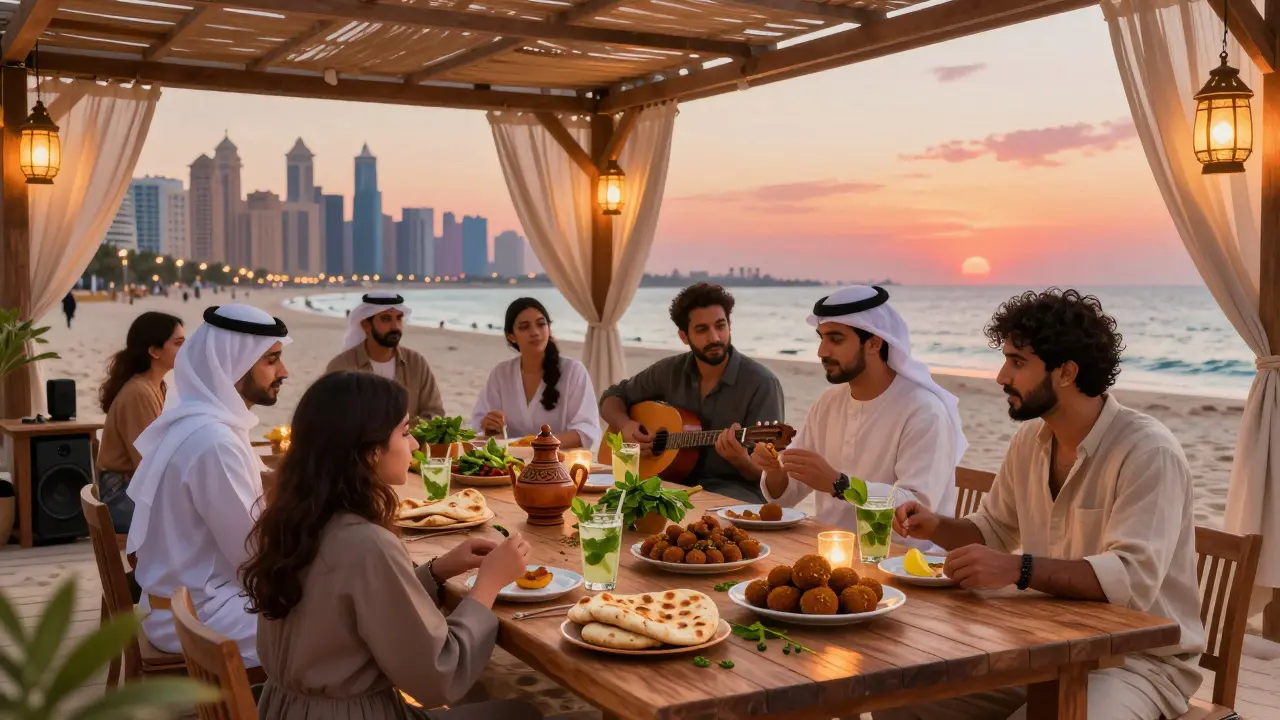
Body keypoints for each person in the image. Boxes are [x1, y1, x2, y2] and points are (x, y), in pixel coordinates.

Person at [881, 289, 1204, 720]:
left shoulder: (1147, 453)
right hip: (1045, 647)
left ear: (1066, 372)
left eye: (1017, 362)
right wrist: (934, 524)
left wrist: (1018, 569)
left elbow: (1132, 578)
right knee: (903, 698)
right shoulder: (1029, 442)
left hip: (1138, 662)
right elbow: (993, 528)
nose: (1000, 376)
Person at [242, 371, 542, 720]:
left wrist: (436, 570)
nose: (414, 445)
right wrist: (489, 583)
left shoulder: (294, 520)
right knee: (521, 712)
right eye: (405, 432)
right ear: (370, 452)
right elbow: (437, 677)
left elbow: (350, 610)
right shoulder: (366, 543)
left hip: (287, 709)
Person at [126, 304, 291, 668]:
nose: (284, 372)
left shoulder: (203, 422)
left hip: (186, 602)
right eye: (271, 360)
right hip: (197, 617)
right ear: (230, 366)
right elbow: (254, 553)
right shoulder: (213, 441)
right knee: (336, 629)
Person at [753, 286, 965, 551]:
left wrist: (839, 484)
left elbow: (914, 509)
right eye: (821, 338)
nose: (821, 351)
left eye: (836, 339)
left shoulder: (923, 410)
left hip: (902, 562)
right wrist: (774, 470)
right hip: (830, 550)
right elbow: (787, 495)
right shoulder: (828, 403)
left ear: (874, 343)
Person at [599, 283, 784, 502]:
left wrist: (741, 460)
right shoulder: (668, 371)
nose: (714, 337)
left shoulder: (762, 384)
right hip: (667, 482)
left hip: (732, 492)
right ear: (683, 336)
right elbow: (611, 397)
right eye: (702, 329)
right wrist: (625, 425)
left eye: (720, 326)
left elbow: (770, 479)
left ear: (730, 325)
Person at [96, 311, 185, 533]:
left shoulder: (157, 386)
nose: (185, 350)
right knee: (196, 520)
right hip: (121, 496)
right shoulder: (139, 393)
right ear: (154, 351)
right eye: (178, 343)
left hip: (133, 489)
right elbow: (147, 464)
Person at [471, 298, 601, 450]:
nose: (535, 332)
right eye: (524, 327)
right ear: (511, 336)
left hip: (560, 467)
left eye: (541, 324)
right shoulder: (501, 374)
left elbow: (586, 431)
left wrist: (537, 444)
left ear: (549, 329)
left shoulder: (573, 371)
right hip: (510, 466)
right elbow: (479, 428)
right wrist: (490, 428)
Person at [325, 291, 445, 420]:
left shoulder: (416, 363)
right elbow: (332, 418)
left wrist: (410, 433)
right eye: (386, 319)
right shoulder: (341, 366)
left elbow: (434, 411)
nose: (395, 326)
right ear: (366, 325)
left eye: (399, 318)